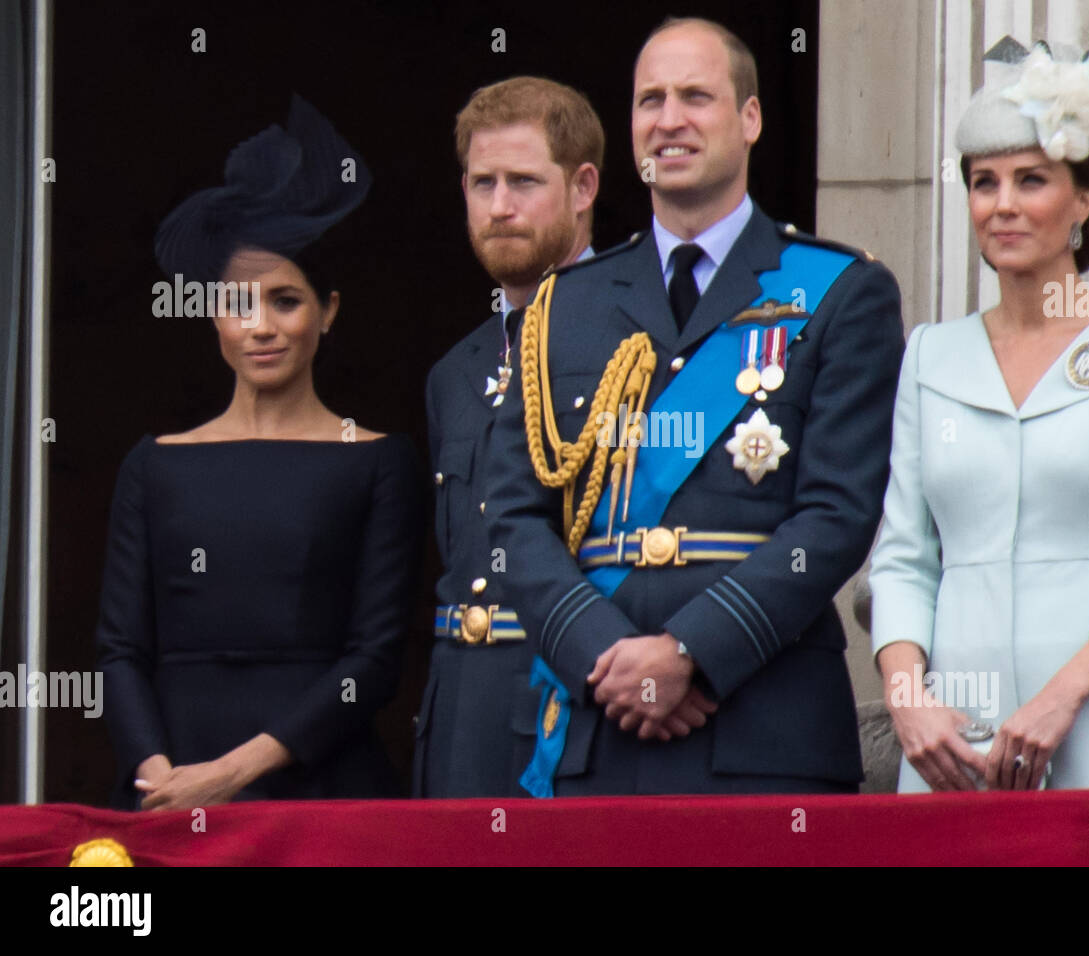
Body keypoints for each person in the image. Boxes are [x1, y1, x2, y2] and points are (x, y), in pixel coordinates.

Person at [486, 17, 904, 796]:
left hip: (765, 726)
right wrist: (604, 654)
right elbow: (513, 519)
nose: (668, 119)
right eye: (650, 99)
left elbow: (838, 515)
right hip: (597, 725)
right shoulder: (560, 307)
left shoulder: (841, 292)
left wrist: (690, 652)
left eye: (695, 97)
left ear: (749, 120)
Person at [863, 37, 1089, 792]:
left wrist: (1061, 697)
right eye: (984, 183)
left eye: (1032, 180)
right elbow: (902, 559)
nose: (1004, 204)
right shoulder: (930, 355)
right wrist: (908, 700)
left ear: (1083, 200)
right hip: (949, 744)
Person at [96, 95, 424, 810]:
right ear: (211, 312)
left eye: (285, 300)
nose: (262, 327)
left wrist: (231, 774)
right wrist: (160, 776)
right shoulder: (154, 464)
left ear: (327, 311)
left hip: (320, 784)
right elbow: (119, 651)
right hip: (166, 785)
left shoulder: (377, 461)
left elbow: (373, 662)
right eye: (240, 301)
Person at [414, 77, 602, 798]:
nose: (499, 206)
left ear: (583, 186)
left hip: (574, 705)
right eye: (481, 182)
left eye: (523, 181)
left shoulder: (639, 338)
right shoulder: (452, 371)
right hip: (463, 711)